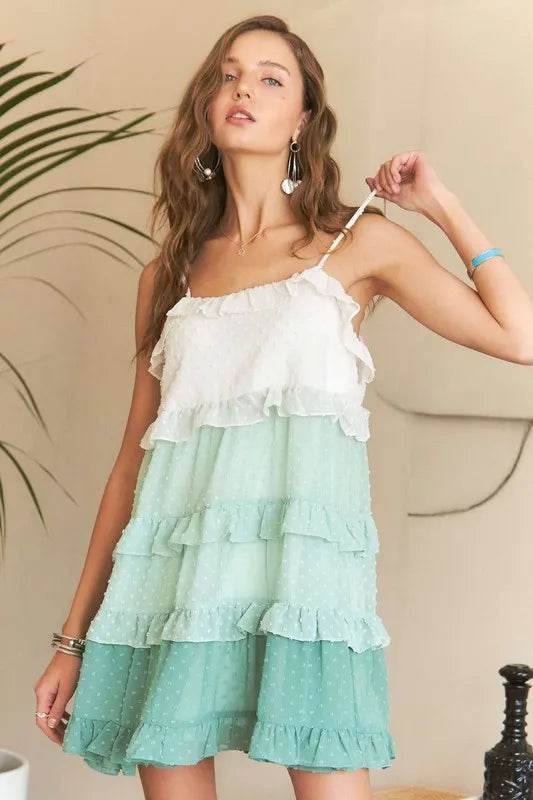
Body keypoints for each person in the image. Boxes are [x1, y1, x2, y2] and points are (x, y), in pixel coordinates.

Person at [33, 13, 533, 800]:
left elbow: (519, 337)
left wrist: (439, 204)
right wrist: (72, 639)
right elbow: (132, 461)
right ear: (206, 106)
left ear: (302, 119)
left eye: (270, 79)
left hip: (303, 587)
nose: (243, 89)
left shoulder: (356, 244)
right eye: (228, 75)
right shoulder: (168, 275)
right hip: (173, 589)